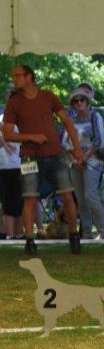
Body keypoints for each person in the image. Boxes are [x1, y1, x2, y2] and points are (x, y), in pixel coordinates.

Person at [2, 64, 84, 256]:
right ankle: (30, 241)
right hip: (29, 157)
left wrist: (77, 149)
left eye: (18, 75)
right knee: (29, 198)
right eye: (13, 76)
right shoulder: (14, 103)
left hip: (55, 154)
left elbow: (67, 122)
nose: (15, 79)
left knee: (68, 196)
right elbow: (7, 135)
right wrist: (31, 137)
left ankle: (74, 235)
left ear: (29, 76)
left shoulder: (48, 96)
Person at [66, 83, 104, 240]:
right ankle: (86, 233)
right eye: (76, 101)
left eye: (82, 100)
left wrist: (84, 157)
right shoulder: (70, 119)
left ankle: (103, 232)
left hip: (92, 160)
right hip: (74, 161)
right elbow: (64, 142)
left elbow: (100, 140)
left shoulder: (95, 116)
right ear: (72, 104)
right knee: (80, 197)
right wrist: (74, 158)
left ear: (87, 101)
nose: (79, 103)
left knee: (90, 194)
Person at [0, 87, 25, 239]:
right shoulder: (2, 118)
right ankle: (9, 235)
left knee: (21, 202)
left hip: (20, 165)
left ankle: (21, 233)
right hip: (3, 166)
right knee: (8, 202)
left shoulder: (25, 119)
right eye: (11, 96)